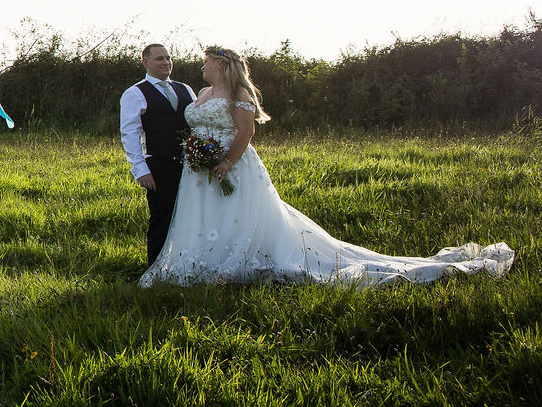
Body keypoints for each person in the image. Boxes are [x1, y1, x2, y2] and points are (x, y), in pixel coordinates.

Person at [139, 45, 514, 286]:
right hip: (198, 170)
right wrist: (197, 152)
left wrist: (225, 161)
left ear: (220, 65)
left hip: (231, 166)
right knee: (203, 218)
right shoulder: (201, 92)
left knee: (237, 217)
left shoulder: (238, 93)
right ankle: (199, 264)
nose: (201, 67)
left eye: (206, 62)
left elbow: (245, 131)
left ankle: (235, 263)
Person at [118, 42, 194, 270]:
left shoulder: (185, 89)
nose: (166, 62)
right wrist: (140, 170)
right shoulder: (135, 93)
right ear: (145, 62)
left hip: (191, 165)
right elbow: (129, 134)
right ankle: (156, 270)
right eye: (160, 59)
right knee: (162, 218)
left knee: (191, 216)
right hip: (159, 165)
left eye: (168, 58)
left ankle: (186, 265)